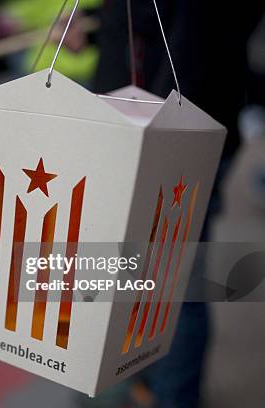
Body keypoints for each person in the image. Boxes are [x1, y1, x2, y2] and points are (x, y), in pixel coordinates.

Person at [92, 1, 264, 407]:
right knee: (150, 281)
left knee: (173, 290)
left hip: (170, 131)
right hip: (159, 119)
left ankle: (170, 394)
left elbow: (191, 40)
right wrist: (103, 27)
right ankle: (148, 385)